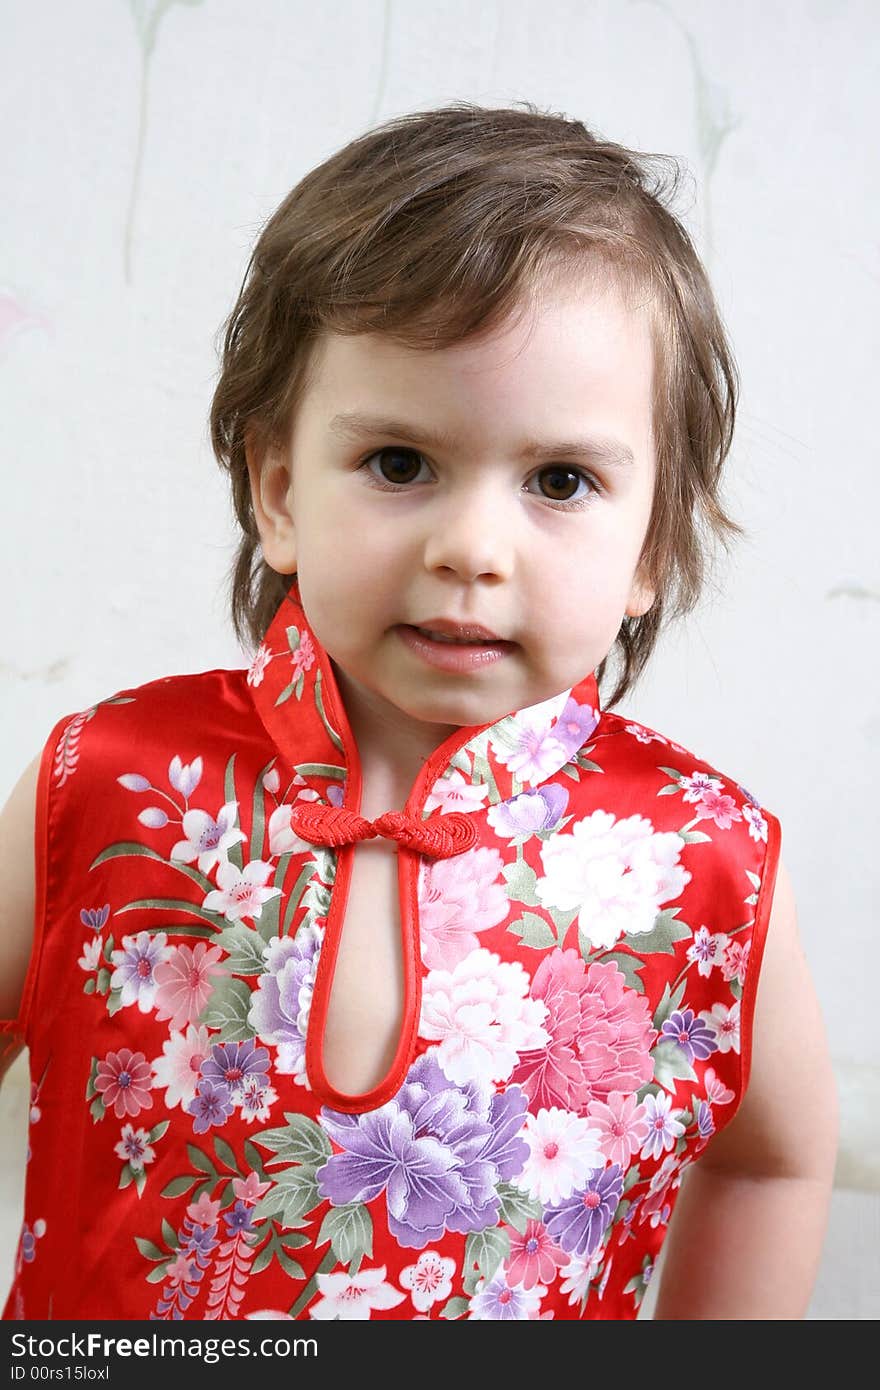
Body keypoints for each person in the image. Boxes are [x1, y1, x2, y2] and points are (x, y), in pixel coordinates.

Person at [0, 100, 836, 1321]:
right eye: (400, 464)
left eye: (560, 480)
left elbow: (771, 1159)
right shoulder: (111, 779)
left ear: (654, 538)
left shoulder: (702, 859)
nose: (471, 547)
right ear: (278, 490)